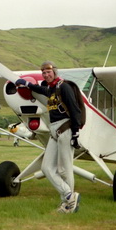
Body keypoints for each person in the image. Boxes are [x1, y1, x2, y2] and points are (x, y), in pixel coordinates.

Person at [15, 61, 82, 213]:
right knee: (46, 168)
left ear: (55, 72)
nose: (46, 75)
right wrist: (27, 84)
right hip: (54, 131)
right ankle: (69, 196)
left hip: (65, 128)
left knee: (64, 169)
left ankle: (68, 205)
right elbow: (41, 89)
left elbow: (75, 109)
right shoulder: (51, 89)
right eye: (44, 73)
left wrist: (76, 132)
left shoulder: (63, 86)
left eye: (48, 72)